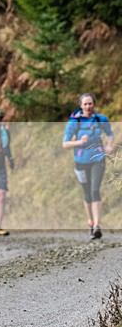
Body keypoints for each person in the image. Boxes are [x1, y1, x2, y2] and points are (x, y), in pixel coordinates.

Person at [62, 93, 114, 239]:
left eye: (90, 103)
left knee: (95, 190)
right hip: (81, 160)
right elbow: (65, 143)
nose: (88, 106)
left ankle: (97, 225)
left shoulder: (100, 119)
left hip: (98, 158)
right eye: (85, 104)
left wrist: (109, 145)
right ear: (81, 106)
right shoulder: (75, 122)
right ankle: (90, 222)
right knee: (87, 193)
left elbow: (110, 134)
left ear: (94, 104)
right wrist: (79, 142)